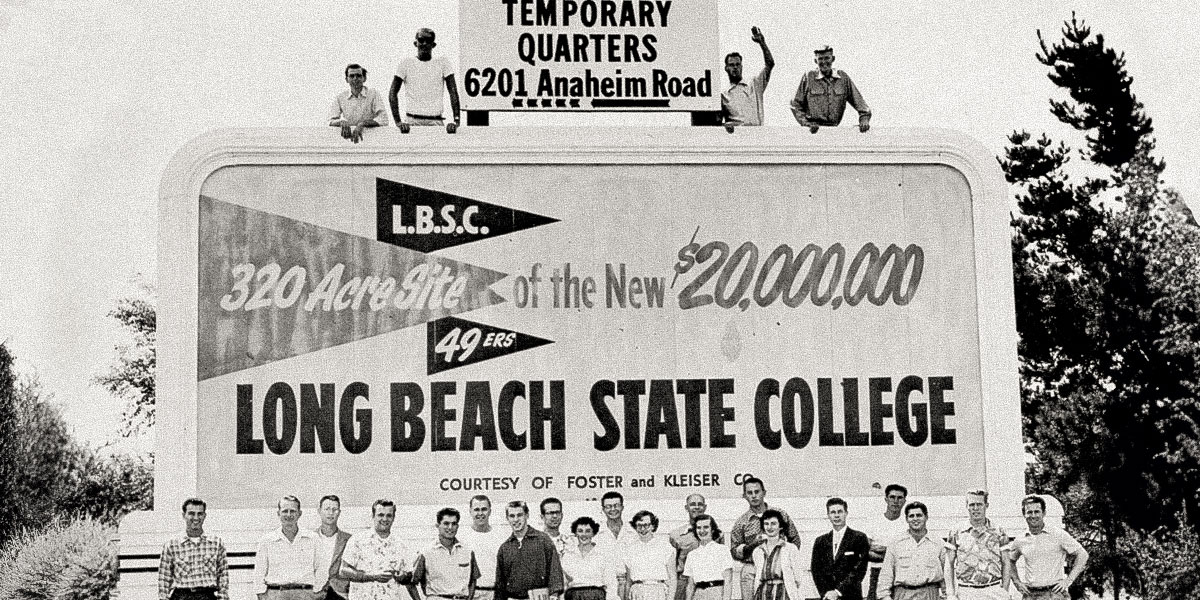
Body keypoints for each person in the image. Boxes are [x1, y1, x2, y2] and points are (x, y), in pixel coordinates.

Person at [1006, 496, 1088, 600]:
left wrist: (1068, 580)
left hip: (1054, 593)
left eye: (1037, 511)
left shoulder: (1057, 534)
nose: (1033, 515)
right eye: (1029, 512)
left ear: (1044, 513)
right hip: (1031, 594)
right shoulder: (1021, 539)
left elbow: (1082, 554)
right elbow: (1010, 560)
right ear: (1024, 514)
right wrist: (1017, 582)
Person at [730, 478, 800, 600]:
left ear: (764, 492)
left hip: (780, 569)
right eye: (749, 493)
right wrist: (753, 544)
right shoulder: (741, 522)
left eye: (757, 492)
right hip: (752, 568)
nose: (754, 496)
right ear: (744, 496)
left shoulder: (780, 514)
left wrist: (784, 558)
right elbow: (735, 551)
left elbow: (794, 539)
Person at [340, 499, 422, 600]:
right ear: (373, 516)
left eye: (389, 515)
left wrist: (402, 577)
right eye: (380, 515)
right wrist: (372, 576)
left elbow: (408, 579)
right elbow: (343, 571)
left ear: (393, 518)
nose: (385, 519)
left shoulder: (401, 544)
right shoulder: (357, 540)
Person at [389, 28, 461, 133]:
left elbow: (453, 92)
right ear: (415, 43)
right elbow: (392, 92)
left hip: (435, 121)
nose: (424, 44)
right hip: (412, 122)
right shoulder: (406, 63)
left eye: (428, 41)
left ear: (433, 44)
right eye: (421, 40)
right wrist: (398, 122)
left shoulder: (443, 63)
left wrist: (456, 120)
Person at [158, 498, 229, 600]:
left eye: (200, 514)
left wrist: (223, 597)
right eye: (191, 513)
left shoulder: (216, 543)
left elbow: (223, 574)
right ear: (184, 515)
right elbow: (164, 579)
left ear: (204, 516)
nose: (196, 518)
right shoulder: (172, 544)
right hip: (181, 596)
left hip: (207, 595)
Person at [943, 490, 1009, 600]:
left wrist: (1004, 591)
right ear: (967, 506)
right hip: (966, 591)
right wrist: (950, 593)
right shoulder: (956, 531)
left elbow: (1006, 562)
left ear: (986, 505)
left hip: (993, 590)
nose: (975, 508)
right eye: (972, 505)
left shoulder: (999, 531)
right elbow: (949, 563)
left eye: (979, 504)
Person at [789, 46, 871, 133]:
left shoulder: (843, 78)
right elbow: (795, 104)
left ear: (833, 59)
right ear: (815, 61)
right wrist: (806, 123)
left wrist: (864, 119)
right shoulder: (809, 76)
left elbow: (861, 105)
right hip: (812, 132)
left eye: (827, 58)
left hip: (834, 131)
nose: (824, 62)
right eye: (820, 59)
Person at [496, 500, 565, 600]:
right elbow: (500, 583)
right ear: (507, 519)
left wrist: (554, 594)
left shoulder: (543, 540)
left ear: (527, 515)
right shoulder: (505, 548)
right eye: (512, 516)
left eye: (519, 515)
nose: (516, 520)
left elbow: (554, 570)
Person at [254, 495, 320, 599]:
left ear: (299, 514)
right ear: (278, 513)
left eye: (292, 511)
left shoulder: (313, 539)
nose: (288, 515)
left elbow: (321, 569)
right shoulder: (267, 541)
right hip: (275, 594)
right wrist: (263, 595)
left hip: (306, 594)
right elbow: (259, 573)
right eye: (285, 511)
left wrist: (317, 593)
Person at [877, 503, 945, 600]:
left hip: (930, 593)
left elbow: (947, 575)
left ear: (926, 517)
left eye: (919, 515)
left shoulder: (938, 543)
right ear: (906, 519)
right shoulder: (896, 543)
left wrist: (948, 595)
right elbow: (886, 574)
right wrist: (884, 596)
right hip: (903, 594)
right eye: (911, 516)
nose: (915, 519)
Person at [413, 507, 480, 600]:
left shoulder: (467, 551)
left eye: (454, 524)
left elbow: (473, 579)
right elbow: (412, 582)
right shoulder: (426, 552)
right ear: (437, 525)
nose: (450, 527)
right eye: (446, 523)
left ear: (458, 526)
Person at [811, 498, 870, 600]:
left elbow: (859, 569)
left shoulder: (859, 538)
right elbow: (816, 569)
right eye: (833, 512)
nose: (836, 515)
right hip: (827, 597)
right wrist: (826, 592)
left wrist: (838, 591)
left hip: (851, 596)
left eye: (840, 511)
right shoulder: (820, 541)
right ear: (828, 515)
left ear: (846, 513)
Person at [720, 26, 774, 132]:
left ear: (741, 66)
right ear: (726, 68)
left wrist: (762, 43)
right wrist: (725, 125)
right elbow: (715, 122)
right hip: (738, 138)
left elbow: (770, 64)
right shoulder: (724, 94)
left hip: (757, 134)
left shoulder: (754, 83)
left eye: (737, 64)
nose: (735, 67)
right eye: (731, 65)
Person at [459, 495, 510, 600]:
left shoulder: (501, 536)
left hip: (496, 594)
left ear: (490, 511)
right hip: (471, 594)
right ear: (470, 511)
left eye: (484, 509)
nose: (480, 513)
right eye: (476, 509)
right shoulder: (461, 537)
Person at [669, 495, 718, 600]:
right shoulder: (676, 535)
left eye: (700, 504)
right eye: (692, 504)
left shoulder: (717, 534)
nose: (696, 507)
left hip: (708, 583)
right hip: (684, 583)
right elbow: (672, 565)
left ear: (705, 507)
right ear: (686, 508)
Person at [561, 516, 620, 600]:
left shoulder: (602, 554)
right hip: (573, 596)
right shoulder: (568, 555)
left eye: (588, 531)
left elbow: (611, 583)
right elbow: (564, 583)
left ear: (593, 533)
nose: (584, 535)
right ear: (576, 533)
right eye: (580, 531)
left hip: (596, 595)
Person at [866, 485, 908, 600]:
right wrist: (895, 552)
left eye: (899, 498)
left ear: (904, 501)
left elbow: (910, 553)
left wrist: (884, 550)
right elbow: (865, 552)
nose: (895, 501)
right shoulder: (874, 521)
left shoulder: (908, 523)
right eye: (892, 497)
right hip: (877, 572)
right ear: (886, 499)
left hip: (902, 573)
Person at [623, 510, 676, 600]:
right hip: (637, 591)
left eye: (646, 525)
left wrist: (670, 598)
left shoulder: (665, 547)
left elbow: (673, 578)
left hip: (658, 591)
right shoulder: (629, 549)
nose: (643, 529)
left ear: (653, 526)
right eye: (639, 525)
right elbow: (628, 581)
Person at [750, 510, 802, 600]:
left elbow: (798, 578)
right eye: (766, 524)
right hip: (763, 594)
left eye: (773, 523)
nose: (769, 527)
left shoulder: (790, 549)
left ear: (780, 526)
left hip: (784, 594)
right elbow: (758, 577)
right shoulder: (757, 551)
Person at [329, 64, 387, 143]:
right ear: (346, 79)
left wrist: (362, 124)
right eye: (352, 76)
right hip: (349, 139)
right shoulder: (340, 97)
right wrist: (342, 122)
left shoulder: (373, 94)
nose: (355, 78)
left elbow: (383, 119)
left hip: (371, 139)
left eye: (358, 76)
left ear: (364, 78)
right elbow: (330, 120)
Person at [681, 514, 732, 600]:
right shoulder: (692, 555)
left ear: (712, 530)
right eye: (699, 528)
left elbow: (728, 580)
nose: (702, 531)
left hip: (717, 592)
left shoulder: (722, 550)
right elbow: (690, 585)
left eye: (706, 527)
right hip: (698, 594)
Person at [596, 491, 637, 600]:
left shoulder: (634, 532)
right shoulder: (597, 534)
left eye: (616, 505)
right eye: (608, 506)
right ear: (603, 509)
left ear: (622, 507)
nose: (613, 509)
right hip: (606, 585)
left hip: (630, 584)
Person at [315, 495, 353, 600]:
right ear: (319, 511)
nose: (330, 513)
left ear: (339, 512)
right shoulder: (309, 538)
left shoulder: (350, 540)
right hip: (315, 594)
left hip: (341, 594)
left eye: (334, 509)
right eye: (327, 509)